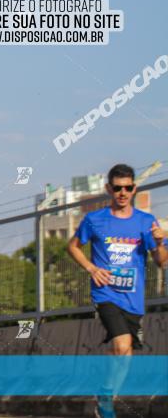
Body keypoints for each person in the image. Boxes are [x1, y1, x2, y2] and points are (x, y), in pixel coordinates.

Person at [67, 163, 167, 418]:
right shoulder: (95, 219)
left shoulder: (146, 222)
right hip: (106, 293)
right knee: (122, 345)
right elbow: (73, 246)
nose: (123, 193)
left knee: (126, 353)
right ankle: (106, 398)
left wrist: (158, 242)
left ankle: (105, 393)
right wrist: (91, 268)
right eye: (118, 188)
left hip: (133, 298)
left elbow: (161, 261)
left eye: (128, 188)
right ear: (108, 189)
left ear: (135, 188)